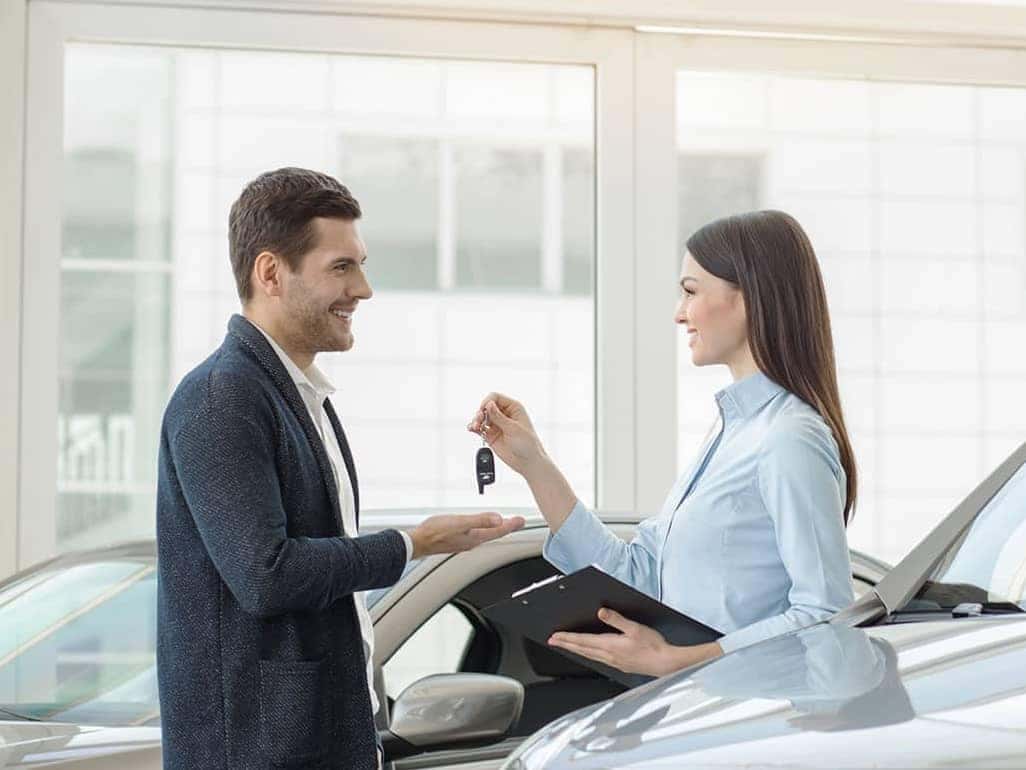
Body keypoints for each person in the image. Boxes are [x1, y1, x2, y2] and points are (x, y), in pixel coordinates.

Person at [156, 167, 524, 770]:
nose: (364, 289)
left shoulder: (297, 397)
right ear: (270, 273)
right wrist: (416, 542)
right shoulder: (222, 398)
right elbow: (266, 575)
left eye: (361, 264)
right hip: (257, 753)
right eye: (341, 267)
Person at [468, 210, 856, 678]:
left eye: (691, 292)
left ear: (750, 297)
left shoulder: (789, 439)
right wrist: (534, 464)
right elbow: (635, 574)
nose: (678, 312)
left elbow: (825, 615)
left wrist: (682, 662)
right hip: (696, 713)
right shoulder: (729, 434)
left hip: (744, 723)